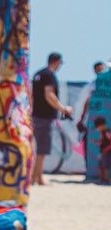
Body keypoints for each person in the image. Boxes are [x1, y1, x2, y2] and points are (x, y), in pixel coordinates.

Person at [31, 52, 73, 186]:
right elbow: (49, 94)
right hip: (44, 116)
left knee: (36, 147)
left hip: (36, 115)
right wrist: (63, 108)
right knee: (42, 148)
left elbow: (32, 96)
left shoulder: (38, 74)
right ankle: (38, 178)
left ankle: (34, 177)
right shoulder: (49, 75)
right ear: (56, 62)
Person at [78, 61, 109, 176]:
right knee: (94, 147)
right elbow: (87, 102)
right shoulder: (93, 85)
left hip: (103, 120)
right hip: (95, 121)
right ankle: (94, 172)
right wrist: (82, 118)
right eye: (98, 70)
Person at [95, 116, 111, 184]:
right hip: (103, 152)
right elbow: (103, 141)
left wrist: (106, 149)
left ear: (101, 125)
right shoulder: (102, 132)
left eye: (97, 127)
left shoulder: (107, 132)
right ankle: (103, 178)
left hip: (108, 153)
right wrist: (99, 142)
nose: (97, 129)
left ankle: (107, 179)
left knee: (106, 166)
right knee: (101, 166)